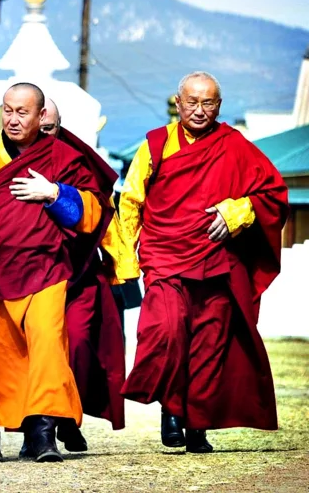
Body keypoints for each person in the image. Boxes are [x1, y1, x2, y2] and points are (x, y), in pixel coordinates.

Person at [0, 83, 110, 464]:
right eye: (7, 111)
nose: (12, 119)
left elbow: (93, 211)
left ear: (41, 116)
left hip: (46, 269)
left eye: (22, 112)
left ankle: (42, 434)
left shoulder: (63, 156)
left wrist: (56, 193)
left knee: (47, 347)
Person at [115, 72, 289, 454]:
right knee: (166, 331)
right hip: (165, 257)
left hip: (218, 262)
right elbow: (130, 203)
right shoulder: (155, 145)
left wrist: (237, 211)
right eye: (191, 102)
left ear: (219, 106)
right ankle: (171, 407)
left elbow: (273, 192)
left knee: (210, 345)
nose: (198, 110)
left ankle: (197, 424)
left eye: (207, 102)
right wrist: (126, 262)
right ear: (177, 103)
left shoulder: (234, 145)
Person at [30, 98, 126, 455]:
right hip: (31, 273)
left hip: (77, 270)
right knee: (41, 349)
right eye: (36, 129)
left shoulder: (74, 159)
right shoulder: (5, 158)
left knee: (79, 343)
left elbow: (98, 207)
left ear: (60, 126)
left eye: (49, 129)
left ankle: (69, 416)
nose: (42, 136)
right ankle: (44, 428)